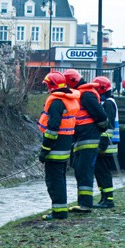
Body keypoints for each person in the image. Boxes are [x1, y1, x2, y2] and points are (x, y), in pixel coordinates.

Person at [63, 68, 110, 213]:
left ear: (71, 82)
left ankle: (85, 205)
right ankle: (83, 203)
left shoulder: (86, 95)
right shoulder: (80, 94)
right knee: (80, 170)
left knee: (84, 170)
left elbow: (102, 117)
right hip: (82, 137)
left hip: (88, 137)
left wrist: (99, 131)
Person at [37, 71, 80, 220]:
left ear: (51, 86)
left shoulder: (55, 102)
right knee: (60, 179)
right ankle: (61, 210)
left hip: (55, 149)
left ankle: (59, 212)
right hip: (65, 147)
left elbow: (52, 129)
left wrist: (44, 150)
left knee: (53, 182)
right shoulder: (68, 100)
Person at [92, 76, 119, 209]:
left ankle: (108, 200)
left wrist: (102, 145)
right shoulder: (105, 102)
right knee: (99, 171)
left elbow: (109, 126)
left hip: (107, 145)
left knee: (103, 171)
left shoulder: (108, 103)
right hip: (104, 144)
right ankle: (104, 197)